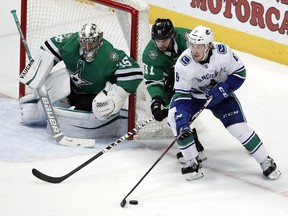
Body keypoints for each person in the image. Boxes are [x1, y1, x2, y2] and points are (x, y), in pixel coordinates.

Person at [168, 25, 281, 181]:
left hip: (221, 97)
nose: (194, 50)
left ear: (208, 45)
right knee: (176, 119)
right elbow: (182, 94)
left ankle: (266, 161)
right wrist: (182, 115)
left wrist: (225, 88)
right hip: (194, 97)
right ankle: (192, 162)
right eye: (192, 45)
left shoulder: (223, 53)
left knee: (238, 129)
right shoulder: (184, 63)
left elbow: (240, 73)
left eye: (199, 46)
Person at [19, 23, 143, 139]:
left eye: (91, 42)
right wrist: (39, 66)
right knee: (35, 107)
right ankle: (44, 103)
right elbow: (49, 45)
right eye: (84, 42)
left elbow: (134, 72)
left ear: (99, 39)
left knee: (101, 108)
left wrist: (118, 96)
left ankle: (117, 120)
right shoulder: (69, 44)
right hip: (71, 90)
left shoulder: (109, 55)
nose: (87, 46)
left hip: (93, 97)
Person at [142, 18, 205, 160]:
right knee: (176, 116)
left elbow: (206, 54)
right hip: (171, 88)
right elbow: (153, 81)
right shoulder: (150, 54)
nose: (161, 44)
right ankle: (194, 149)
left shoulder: (186, 38)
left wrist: (178, 69)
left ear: (172, 35)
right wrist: (157, 99)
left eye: (164, 40)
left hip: (197, 81)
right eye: (157, 40)